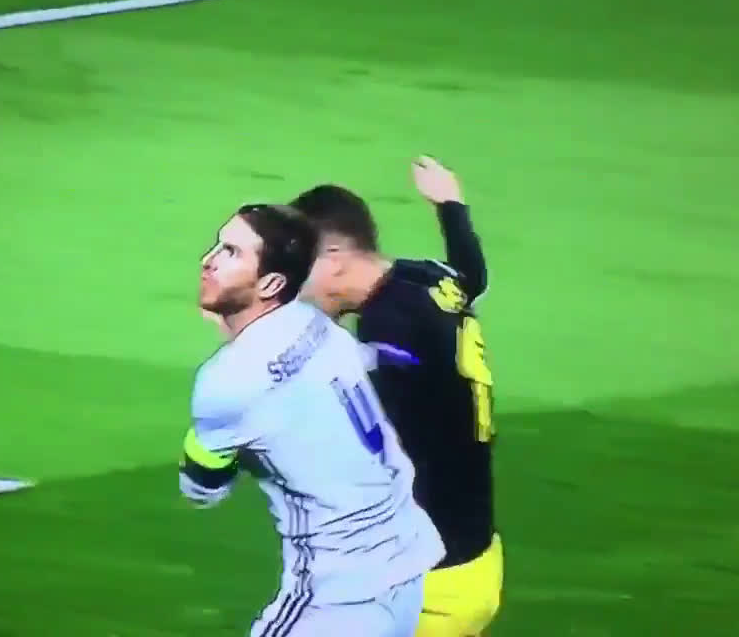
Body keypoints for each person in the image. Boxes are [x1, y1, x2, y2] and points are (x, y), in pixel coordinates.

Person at [180, 203, 445, 637]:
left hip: (337, 600)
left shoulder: (227, 382)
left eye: (231, 252)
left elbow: (202, 490)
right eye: (216, 246)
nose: (208, 260)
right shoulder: (318, 324)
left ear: (271, 283)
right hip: (404, 572)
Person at [290, 156, 501, 637]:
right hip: (477, 560)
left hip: (430, 587)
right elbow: (472, 276)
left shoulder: (389, 329)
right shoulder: (425, 278)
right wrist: (450, 205)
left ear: (335, 258)